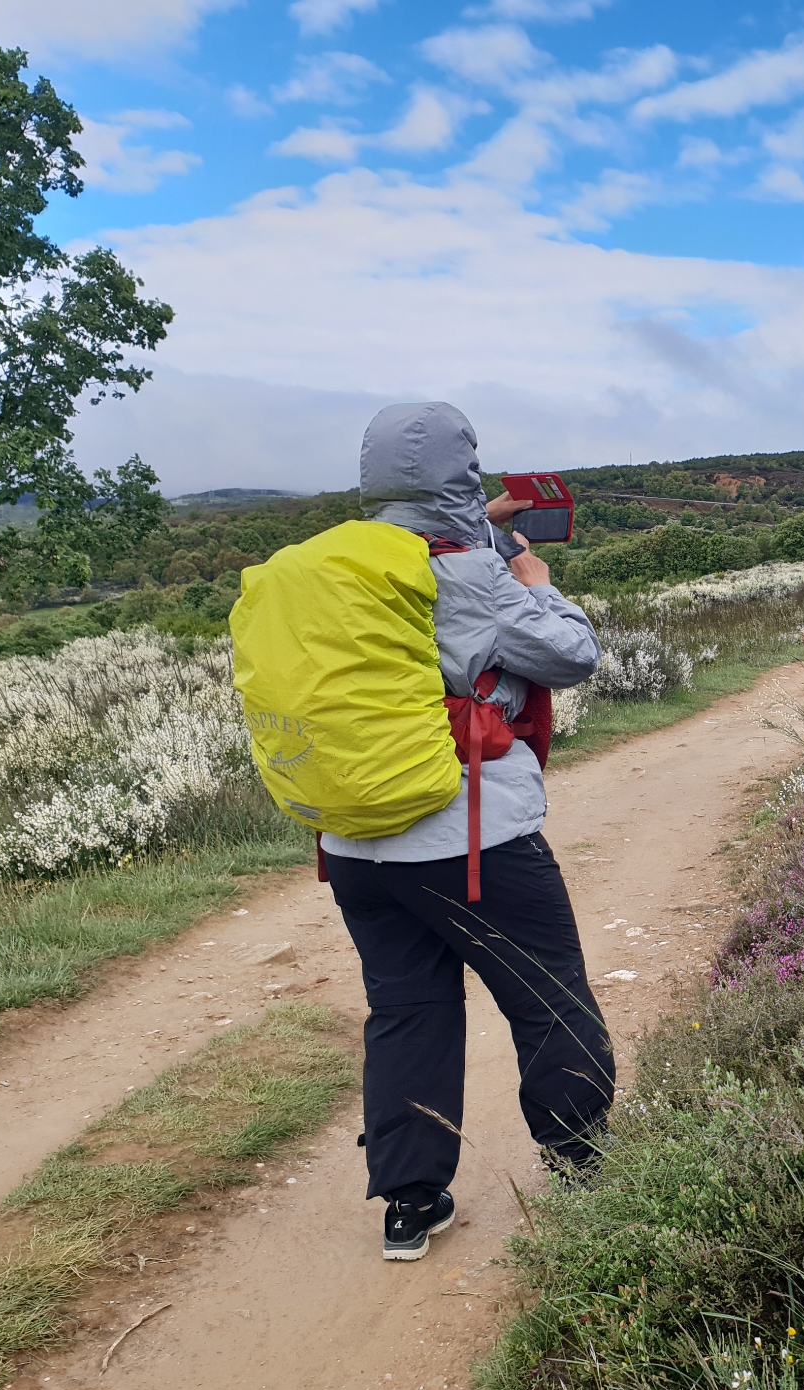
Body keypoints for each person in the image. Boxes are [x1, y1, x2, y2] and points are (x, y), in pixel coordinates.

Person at [320, 401, 609, 1261]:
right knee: (547, 995)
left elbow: (423, 554)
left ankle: (410, 1206)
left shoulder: (341, 567)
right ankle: (586, 1173)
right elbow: (570, 657)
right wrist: (533, 578)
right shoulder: (476, 577)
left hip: (356, 845)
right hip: (472, 841)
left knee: (406, 1010)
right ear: (466, 470)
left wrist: (481, 532)